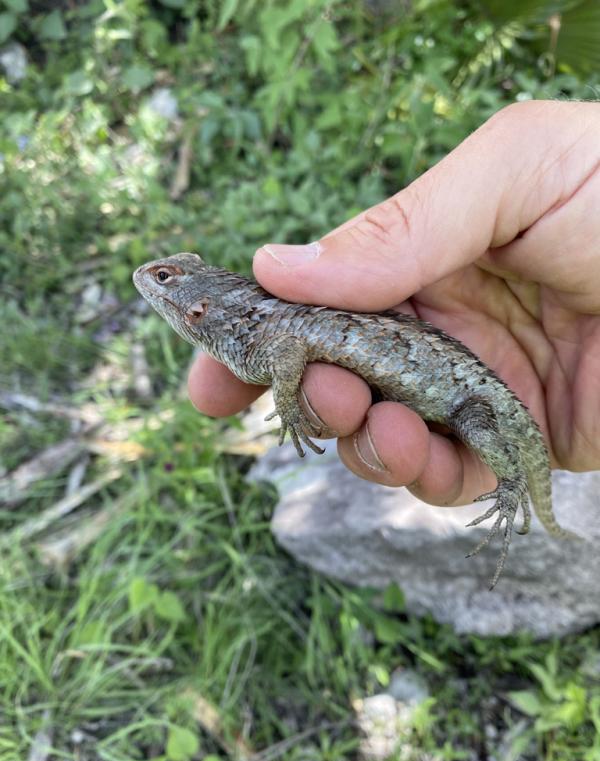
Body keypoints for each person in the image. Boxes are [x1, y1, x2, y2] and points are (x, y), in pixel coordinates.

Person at [188, 99, 600, 509]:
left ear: (200, 307)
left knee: (472, 426)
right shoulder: (251, 331)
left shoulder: (263, 332)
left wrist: (289, 410)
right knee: (379, 427)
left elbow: (290, 350)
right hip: (450, 373)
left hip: (461, 392)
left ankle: (513, 487)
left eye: (167, 278)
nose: (155, 281)